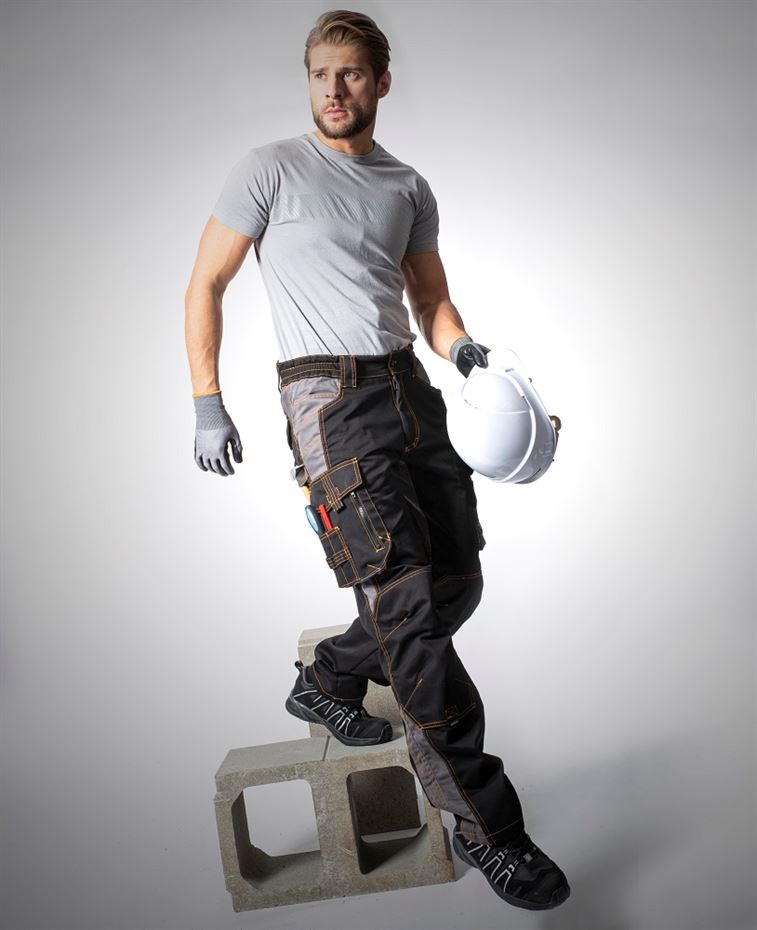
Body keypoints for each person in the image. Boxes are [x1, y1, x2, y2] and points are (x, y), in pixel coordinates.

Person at [184, 8, 570, 912]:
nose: (333, 88)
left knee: (456, 581)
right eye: (320, 73)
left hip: (408, 385)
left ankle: (327, 677)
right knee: (409, 613)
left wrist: (465, 352)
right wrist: (207, 402)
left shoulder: (406, 184)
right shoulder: (269, 169)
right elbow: (207, 281)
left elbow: (430, 301)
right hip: (325, 398)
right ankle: (491, 831)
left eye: (351, 72)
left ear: (380, 82)